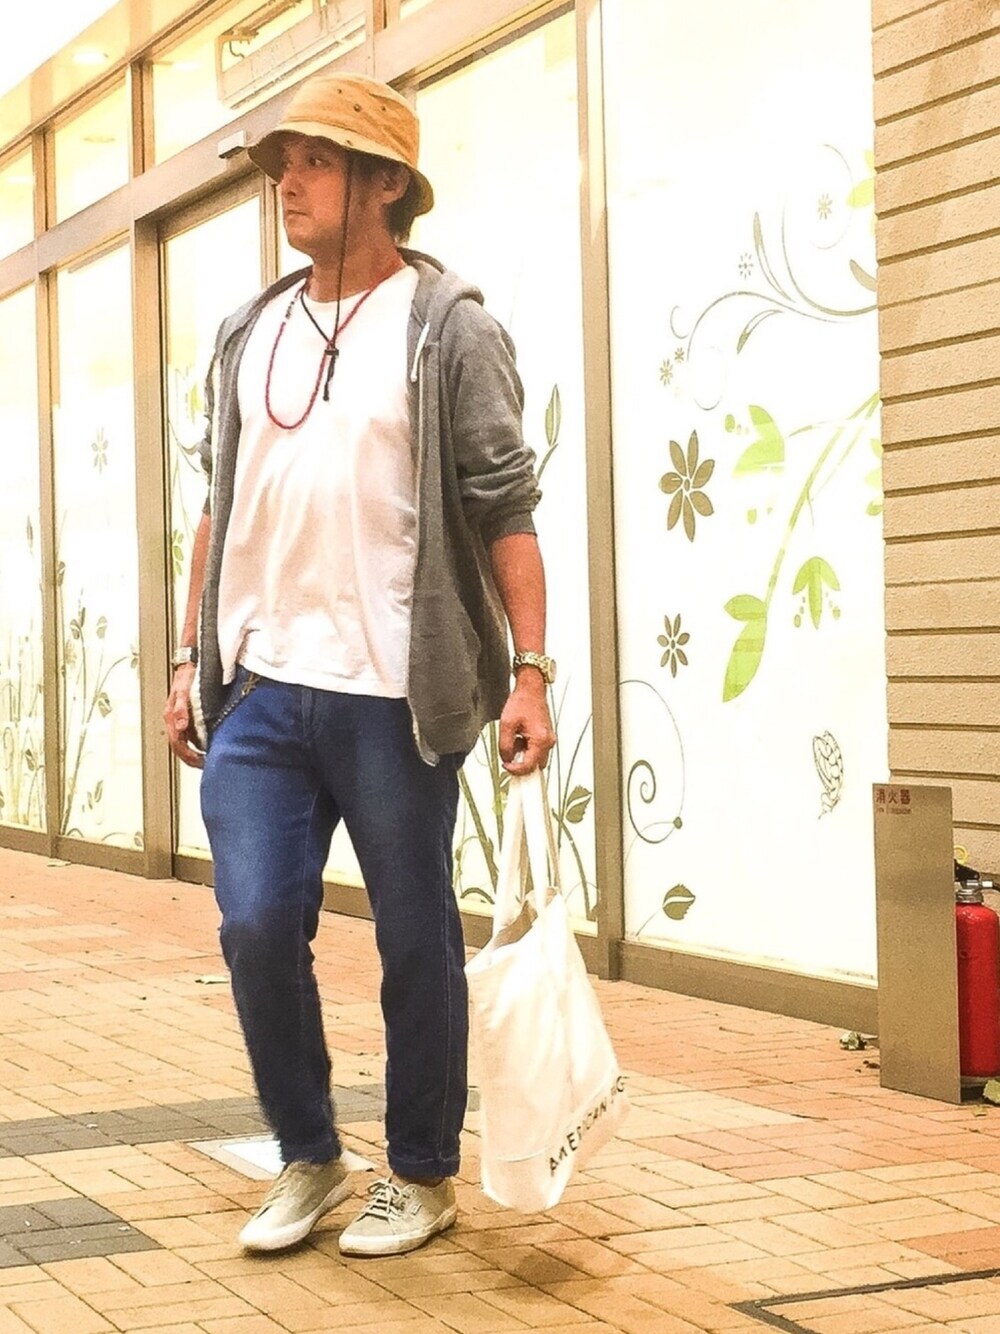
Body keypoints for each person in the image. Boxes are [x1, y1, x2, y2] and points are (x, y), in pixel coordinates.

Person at [163, 72, 556, 1259]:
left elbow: (504, 508)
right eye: (283, 163)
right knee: (254, 920)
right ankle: (310, 1152)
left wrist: (529, 670)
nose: (288, 183)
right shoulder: (250, 330)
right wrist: (187, 656)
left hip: (393, 690)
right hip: (260, 686)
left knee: (413, 933)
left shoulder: (447, 327)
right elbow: (218, 501)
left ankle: (423, 1173)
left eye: (317, 162)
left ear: (386, 183)